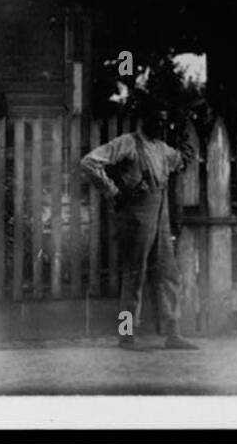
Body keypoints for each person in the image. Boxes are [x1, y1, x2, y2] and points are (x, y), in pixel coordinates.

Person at [78, 104, 198, 351]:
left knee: (169, 273)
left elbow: (182, 161)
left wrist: (185, 137)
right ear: (144, 120)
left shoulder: (162, 148)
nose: (163, 126)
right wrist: (113, 192)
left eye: (166, 122)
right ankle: (126, 336)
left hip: (161, 214)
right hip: (136, 215)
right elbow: (89, 162)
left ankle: (172, 333)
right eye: (158, 120)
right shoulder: (127, 143)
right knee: (134, 275)